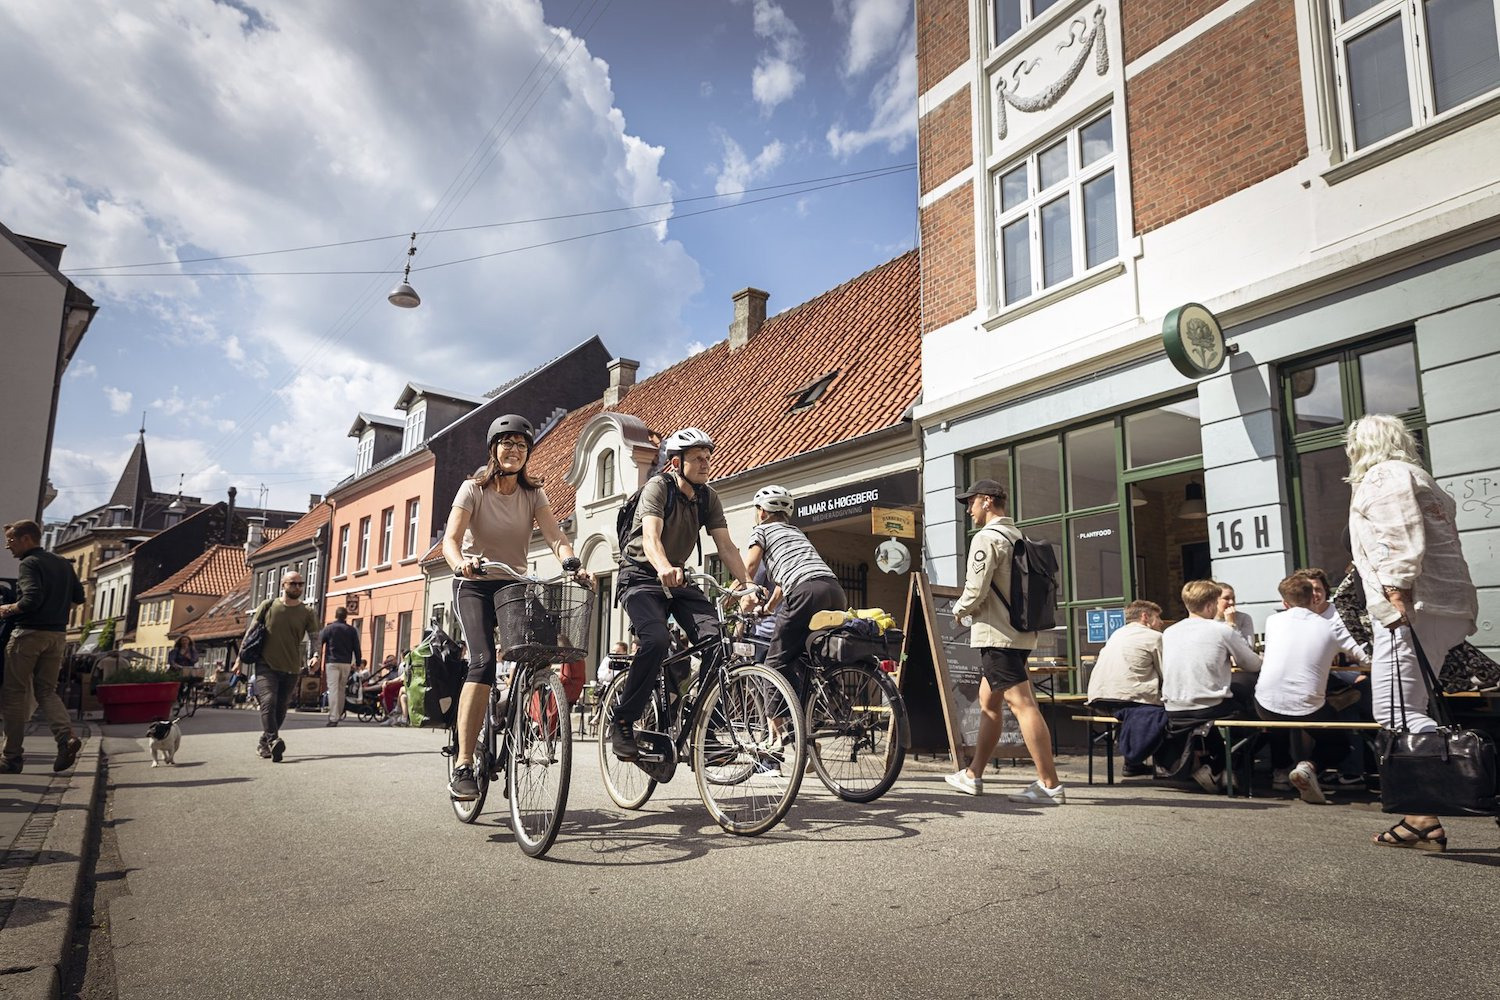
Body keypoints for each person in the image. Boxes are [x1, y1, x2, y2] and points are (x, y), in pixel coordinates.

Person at [1346, 414, 1478, 852]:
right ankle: (1418, 818)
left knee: (1394, 709)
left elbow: (1397, 537)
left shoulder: (1383, 477)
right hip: (1444, 602)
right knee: (1411, 705)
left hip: (1412, 605)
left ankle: (1452, 798)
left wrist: (1395, 590)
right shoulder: (1421, 477)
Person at [441, 413, 588, 800]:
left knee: (538, 655)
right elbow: (451, 540)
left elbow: (556, 537)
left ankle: (514, 726)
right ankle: (464, 762)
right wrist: (461, 563)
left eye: (522, 445)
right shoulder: (473, 489)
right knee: (484, 661)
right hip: (472, 582)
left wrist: (572, 563)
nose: (514, 450)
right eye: (507, 444)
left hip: (513, 583)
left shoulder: (533, 493)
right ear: (494, 449)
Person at [609, 427, 755, 761]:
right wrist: (662, 566)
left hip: (678, 579)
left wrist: (747, 585)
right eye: (698, 458)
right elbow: (650, 537)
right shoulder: (658, 488)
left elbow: (727, 546)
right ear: (676, 462)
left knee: (718, 642)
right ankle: (624, 720)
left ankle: (706, 727)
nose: (706, 463)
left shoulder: (708, 497)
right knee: (657, 640)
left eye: (708, 457)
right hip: (641, 576)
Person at [943, 479, 1064, 804]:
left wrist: (958, 610)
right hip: (1021, 633)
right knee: (990, 703)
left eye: (970, 503)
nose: (968, 510)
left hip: (998, 635)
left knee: (1022, 705)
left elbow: (976, 588)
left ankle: (1049, 785)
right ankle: (973, 775)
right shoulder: (1017, 536)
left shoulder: (987, 539)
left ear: (986, 501)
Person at [1254, 573, 1372, 804]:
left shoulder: (1273, 622)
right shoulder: (1330, 627)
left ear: (1284, 603)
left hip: (1264, 705)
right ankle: (1309, 766)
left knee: (1277, 712)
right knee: (1338, 744)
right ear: (1314, 598)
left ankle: (1280, 771)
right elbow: (1366, 658)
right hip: (1307, 706)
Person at [0, 520, 85, 774]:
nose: (8, 546)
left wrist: (7, 610)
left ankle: (11, 757)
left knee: (14, 694)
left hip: (28, 634)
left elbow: (31, 599)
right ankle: (65, 737)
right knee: (46, 691)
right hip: (57, 636)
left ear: (27, 538)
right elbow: (79, 597)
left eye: (11, 540)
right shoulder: (62, 562)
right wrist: (55, 613)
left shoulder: (29, 563)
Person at [1161, 579, 1262, 792]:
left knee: (1221, 716)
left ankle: (1218, 770)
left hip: (1173, 709)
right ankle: (1223, 768)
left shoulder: (1169, 632)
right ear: (1209, 606)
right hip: (1208, 707)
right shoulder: (1221, 630)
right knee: (1256, 722)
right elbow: (1251, 664)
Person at [741, 485, 845, 690]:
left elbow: (750, 567)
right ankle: (830, 707)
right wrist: (769, 608)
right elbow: (782, 583)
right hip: (834, 590)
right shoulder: (796, 533)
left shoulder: (761, 530)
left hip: (805, 592)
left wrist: (727, 597)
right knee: (809, 657)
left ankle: (775, 721)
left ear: (761, 511)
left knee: (775, 664)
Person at [1085, 600, 1166, 776]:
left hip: (1099, 700)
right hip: (1128, 700)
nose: (1161, 622)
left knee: (1138, 705)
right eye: (1158, 617)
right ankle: (1166, 765)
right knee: (1169, 713)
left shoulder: (1116, 635)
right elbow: (1166, 673)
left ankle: (1133, 763)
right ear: (1145, 617)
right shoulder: (1155, 637)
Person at [247, 571, 320, 762]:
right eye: (293, 583)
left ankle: (264, 743)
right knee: (269, 701)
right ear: (283, 585)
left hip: (292, 666)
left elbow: (314, 637)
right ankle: (273, 740)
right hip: (265, 664)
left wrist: (315, 655)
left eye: (300, 584)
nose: (298, 587)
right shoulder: (269, 606)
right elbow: (252, 631)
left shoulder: (307, 612)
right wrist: (240, 657)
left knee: (280, 709)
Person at [316, 606, 361, 727]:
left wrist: (317, 657)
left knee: (333, 689)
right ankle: (339, 713)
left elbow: (319, 643)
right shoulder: (351, 630)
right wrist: (358, 662)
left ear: (336, 615)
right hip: (346, 663)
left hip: (332, 662)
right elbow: (356, 647)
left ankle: (333, 717)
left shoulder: (329, 629)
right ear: (346, 616)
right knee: (341, 689)